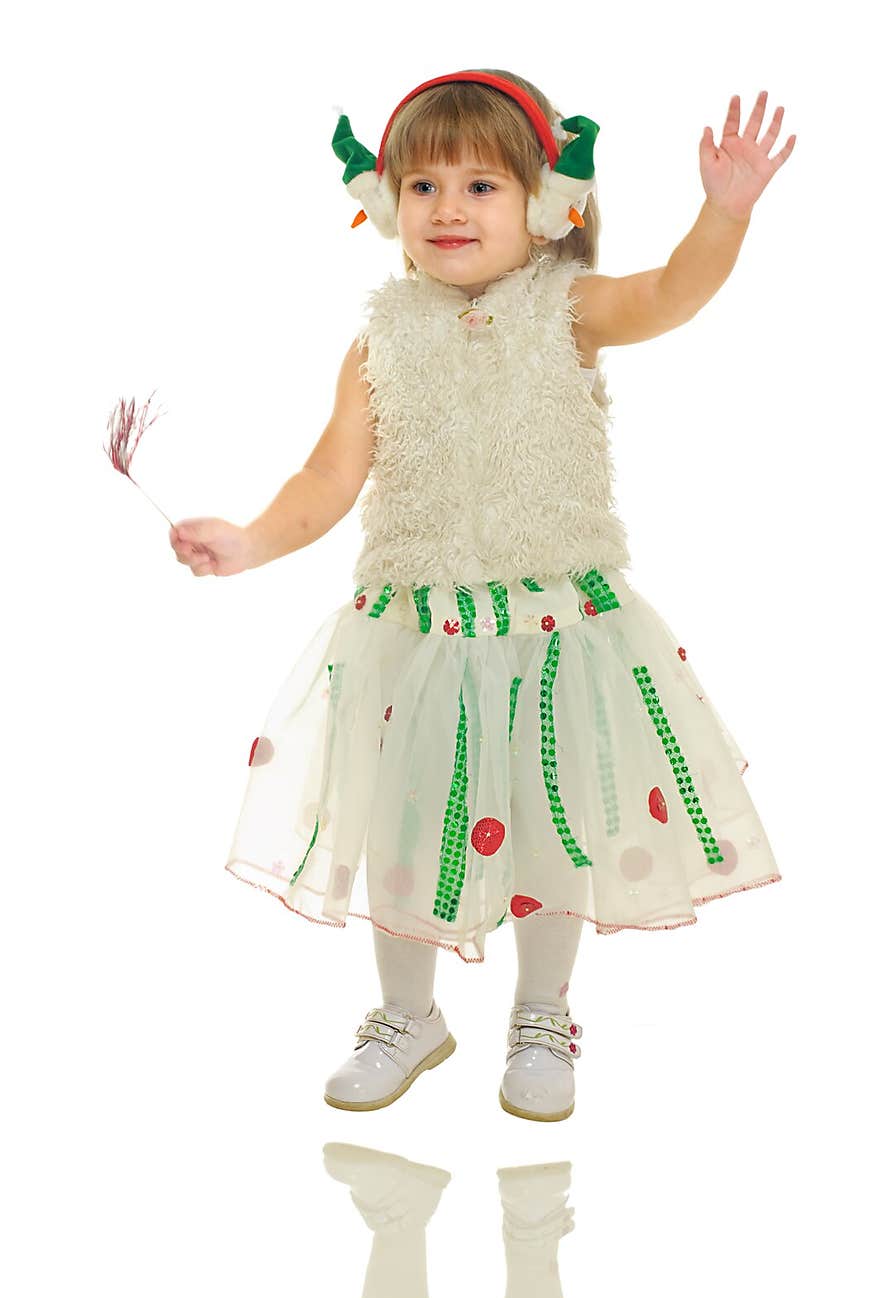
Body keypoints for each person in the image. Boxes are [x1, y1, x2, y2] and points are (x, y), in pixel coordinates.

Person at [169, 70, 793, 1123]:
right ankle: (408, 1015)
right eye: (422, 186)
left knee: (552, 827)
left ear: (547, 205)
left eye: (480, 186)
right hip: (418, 634)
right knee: (407, 830)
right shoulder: (378, 345)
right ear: (384, 205)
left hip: (556, 630)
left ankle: (541, 1012)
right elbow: (326, 481)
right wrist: (250, 539)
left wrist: (721, 215)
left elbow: (669, 294)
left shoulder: (569, 310)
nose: (448, 209)